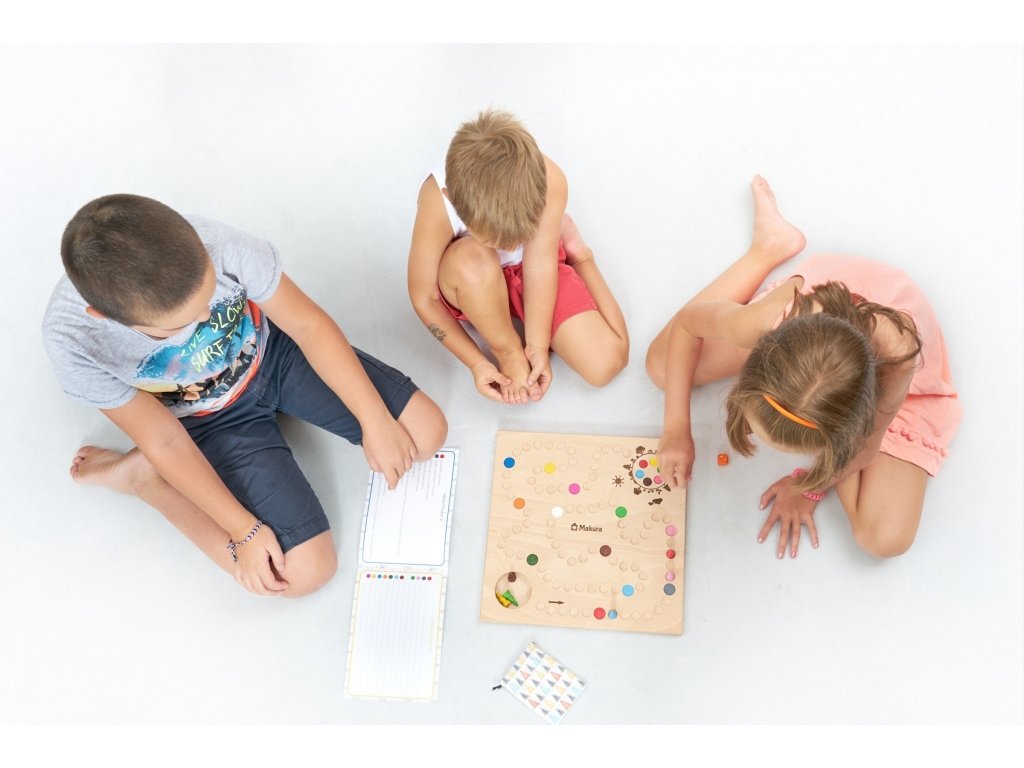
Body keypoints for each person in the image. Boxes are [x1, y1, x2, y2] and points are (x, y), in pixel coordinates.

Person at [43, 195, 447, 597]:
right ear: (105, 316)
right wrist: (244, 531)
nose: (205, 318)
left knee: (424, 434)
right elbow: (163, 438)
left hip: (277, 356)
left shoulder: (215, 241)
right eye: (178, 327)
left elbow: (308, 326)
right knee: (300, 575)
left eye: (208, 301)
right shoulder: (74, 340)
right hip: (207, 422)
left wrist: (375, 419)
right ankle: (144, 479)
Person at [646, 176, 961, 559]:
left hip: (893, 377)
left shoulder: (898, 355)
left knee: (884, 540)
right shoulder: (765, 321)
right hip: (806, 328)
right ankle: (768, 248)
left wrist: (809, 487)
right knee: (661, 366)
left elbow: (864, 448)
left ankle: (771, 247)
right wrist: (676, 428)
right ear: (757, 359)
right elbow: (687, 324)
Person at [407, 109, 629, 404]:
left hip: (535, 264)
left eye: (518, 236)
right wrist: (478, 362)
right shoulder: (437, 199)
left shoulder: (550, 179)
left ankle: (581, 254)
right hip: (472, 276)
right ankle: (507, 348)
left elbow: (540, 262)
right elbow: (425, 297)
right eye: (494, 239)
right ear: (451, 198)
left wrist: (537, 345)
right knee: (472, 258)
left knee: (605, 365)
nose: (506, 245)